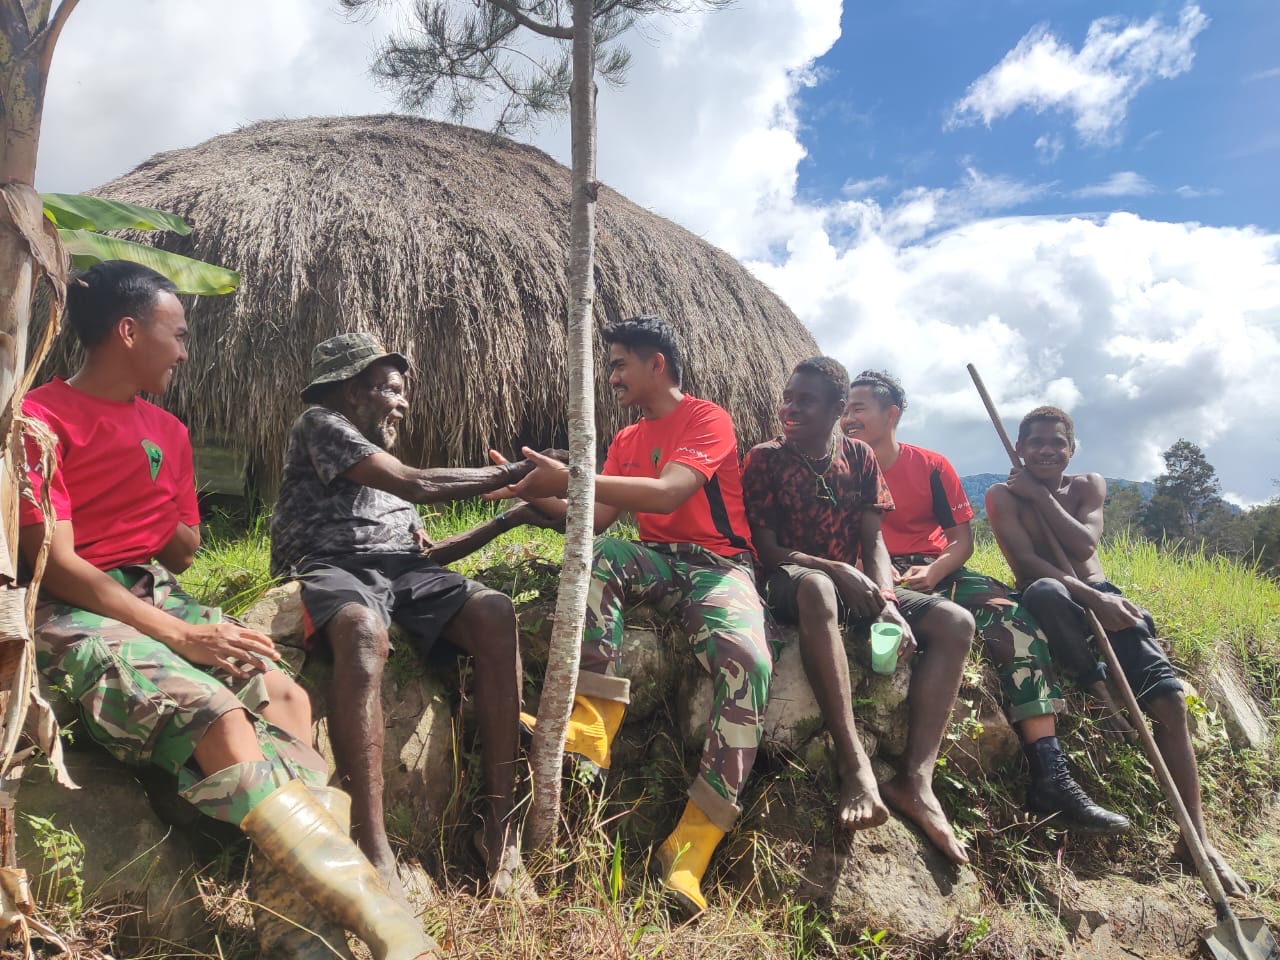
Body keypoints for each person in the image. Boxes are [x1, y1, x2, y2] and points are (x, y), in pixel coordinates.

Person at [20, 261, 440, 960]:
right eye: (178, 334)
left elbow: (184, 548)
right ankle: (385, 925)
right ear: (129, 332)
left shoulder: (169, 431)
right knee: (215, 713)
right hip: (70, 606)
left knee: (288, 699)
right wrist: (181, 635)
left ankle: (294, 932)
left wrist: (153, 523)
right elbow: (56, 562)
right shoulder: (37, 420)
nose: (186, 352)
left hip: (159, 590)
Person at [501, 316, 773, 918]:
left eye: (620, 364)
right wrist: (533, 492)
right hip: (655, 561)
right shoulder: (626, 440)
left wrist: (572, 477)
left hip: (718, 566)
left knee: (748, 662)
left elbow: (671, 491)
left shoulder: (707, 418)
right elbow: (594, 518)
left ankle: (691, 848)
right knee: (602, 553)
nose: (613, 377)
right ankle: (593, 724)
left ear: (658, 364)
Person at [271, 332, 549, 899]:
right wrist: (518, 473)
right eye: (392, 390)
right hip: (331, 563)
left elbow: (425, 559)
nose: (402, 404)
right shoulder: (321, 424)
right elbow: (417, 483)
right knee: (362, 629)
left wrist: (510, 518)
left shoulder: (383, 472)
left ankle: (499, 831)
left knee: (494, 611)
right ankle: (372, 846)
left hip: (399, 570)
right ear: (353, 391)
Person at [841, 371, 1129, 834]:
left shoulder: (930, 466)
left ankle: (1051, 774)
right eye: (844, 409)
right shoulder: (837, 468)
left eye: (858, 408)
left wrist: (935, 572)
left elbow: (961, 540)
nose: (848, 418)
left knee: (1015, 620)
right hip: (872, 575)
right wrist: (872, 570)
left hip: (938, 569)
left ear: (891, 414)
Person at [986, 405, 1249, 896]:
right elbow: (1026, 562)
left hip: (1105, 596)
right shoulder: (1001, 495)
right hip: (1055, 601)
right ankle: (1099, 691)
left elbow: (1084, 547)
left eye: (1057, 442)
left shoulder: (1088, 485)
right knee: (1046, 591)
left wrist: (1041, 496)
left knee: (1170, 702)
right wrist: (1088, 597)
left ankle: (1196, 839)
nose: (1046, 450)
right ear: (1018, 449)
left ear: (1072, 448)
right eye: (1035, 442)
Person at [741, 357, 972, 865]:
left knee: (955, 621)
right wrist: (836, 568)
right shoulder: (765, 459)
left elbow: (874, 542)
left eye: (805, 400)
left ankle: (916, 781)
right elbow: (768, 550)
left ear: (837, 408)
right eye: (788, 398)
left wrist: (887, 601)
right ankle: (855, 765)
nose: (790, 408)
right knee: (819, 588)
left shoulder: (860, 458)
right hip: (788, 581)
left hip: (850, 583)